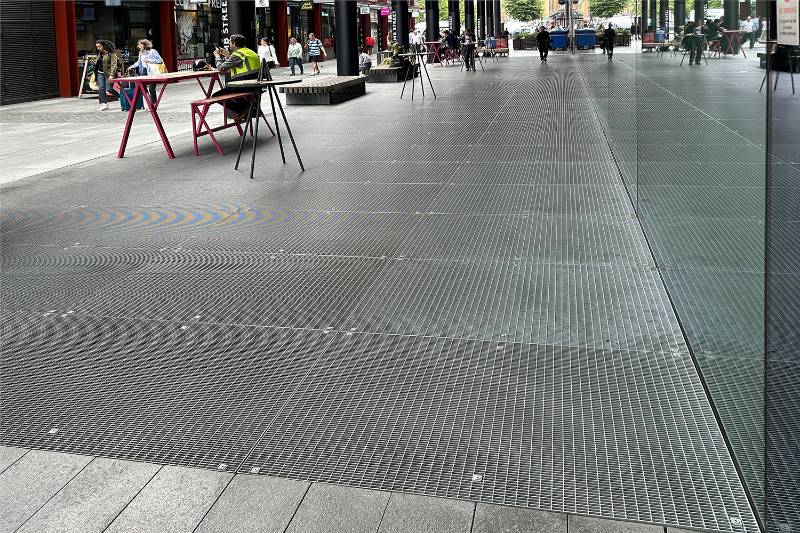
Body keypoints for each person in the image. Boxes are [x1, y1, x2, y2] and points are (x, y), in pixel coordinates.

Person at [212, 33, 261, 118]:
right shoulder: (250, 52)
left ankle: (243, 110)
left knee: (216, 96)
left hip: (244, 86)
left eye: (230, 42)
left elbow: (221, 68)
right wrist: (227, 55)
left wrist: (217, 56)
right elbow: (239, 63)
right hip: (256, 85)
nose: (229, 44)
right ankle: (250, 108)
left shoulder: (237, 54)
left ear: (234, 43)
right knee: (232, 91)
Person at [127, 39, 163, 104]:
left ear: (144, 44)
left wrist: (149, 61)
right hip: (144, 71)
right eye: (138, 45)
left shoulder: (152, 51)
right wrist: (132, 66)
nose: (138, 46)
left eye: (140, 44)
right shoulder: (140, 53)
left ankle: (154, 103)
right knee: (142, 87)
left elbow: (160, 60)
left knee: (151, 89)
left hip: (152, 72)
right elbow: (139, 62)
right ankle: (150, 102)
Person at [94, 40, 122, 111]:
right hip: (100, 73)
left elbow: (114, 65)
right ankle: (104, 104)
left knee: (109, 88)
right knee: (101, 89)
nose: (98, 48)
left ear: (104, 46)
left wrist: (112, 74)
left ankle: (121, 97)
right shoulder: (99, 54)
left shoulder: (111, 54)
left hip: (108, 74)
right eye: (97, 47)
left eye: (99, 46)